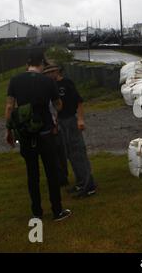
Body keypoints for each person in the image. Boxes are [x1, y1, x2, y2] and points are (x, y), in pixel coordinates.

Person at [5, 52, 72, 221]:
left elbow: (9, 107)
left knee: (32, 174)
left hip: (26, 135)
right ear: (42, 63)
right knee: (51, 172)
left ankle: (36, 212)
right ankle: (57, 210)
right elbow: (58, 106)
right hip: (46, 133)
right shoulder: (48, 81)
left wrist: (8, 130)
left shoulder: (15, 80)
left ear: (28, 64)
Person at [44, 64, 97, 198]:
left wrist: (80, 119)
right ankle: (80, 181)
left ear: (57, 71)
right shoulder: (51, 87)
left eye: (51, 72)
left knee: (78, 151)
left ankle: (89, 185)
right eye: (46, 73)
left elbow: (79, 102)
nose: (49, 75)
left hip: (71, 120)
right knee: (69, 153)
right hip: (61, 121)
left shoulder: (66, 83)